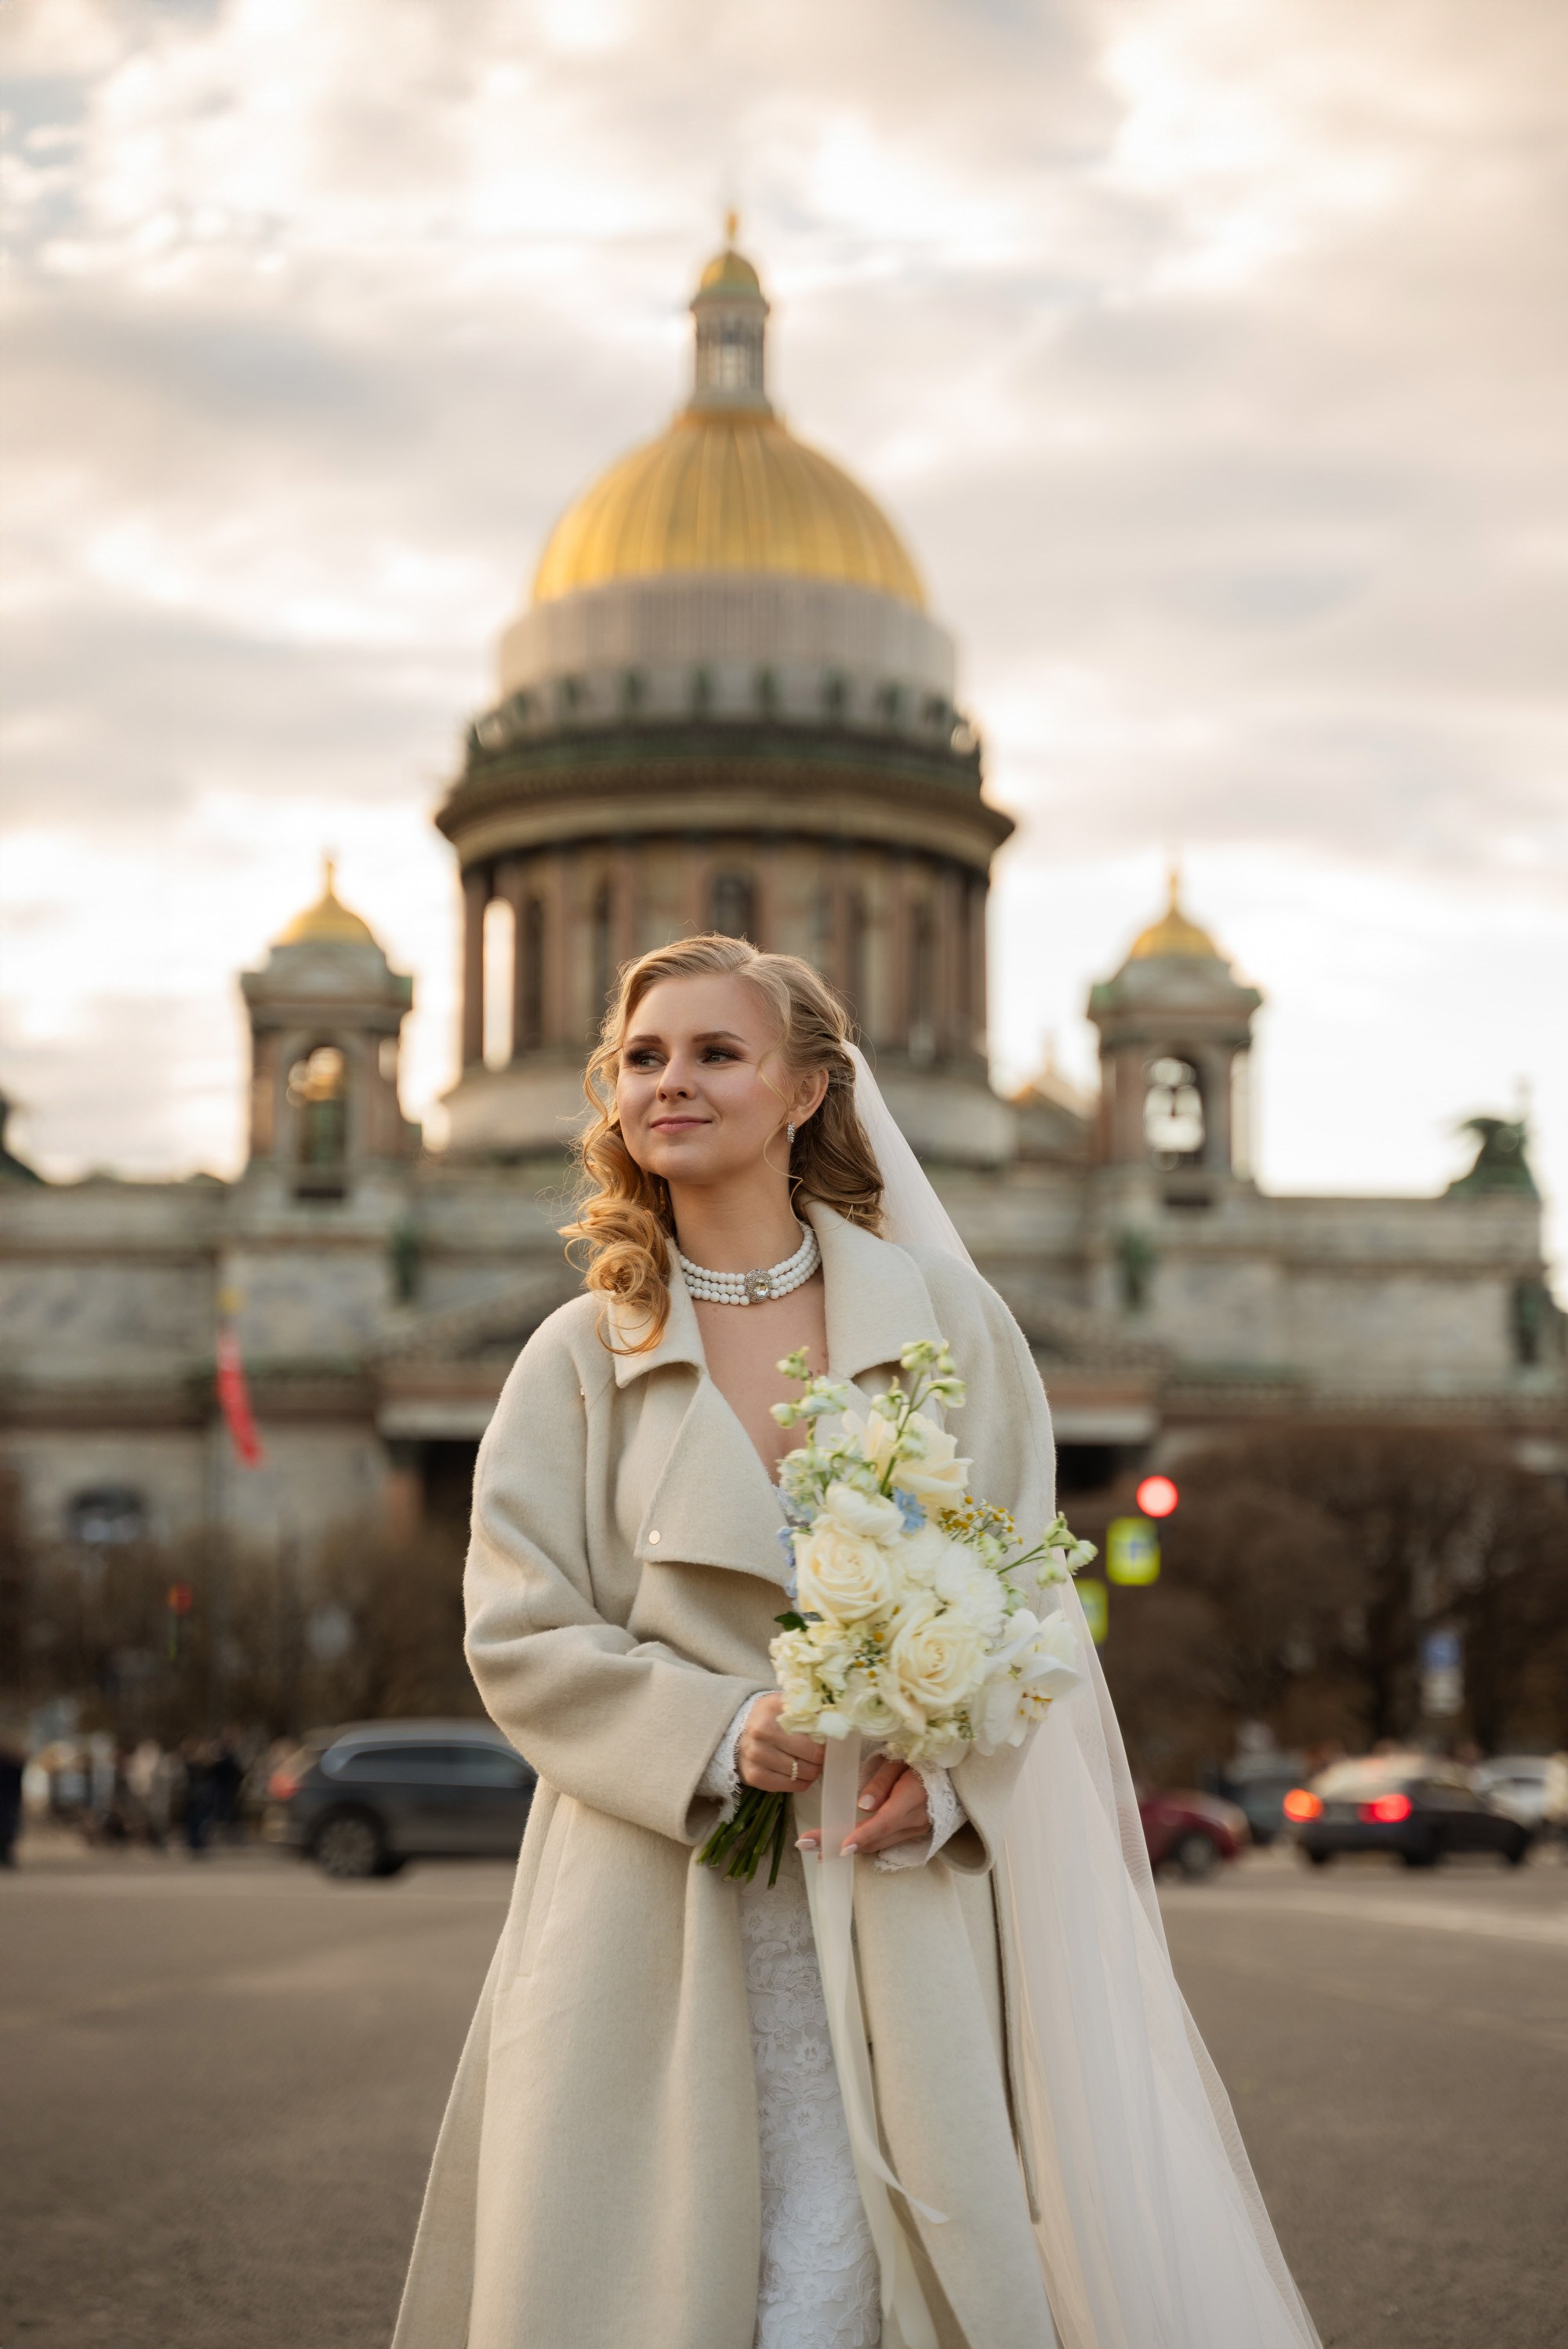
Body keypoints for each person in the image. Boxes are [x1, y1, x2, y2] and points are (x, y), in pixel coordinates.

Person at [393, 935, 1321, 2349]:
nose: (670, 1083)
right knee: (651, 2277)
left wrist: (946, 1776)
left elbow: (1029, 1600)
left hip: (892, 1882)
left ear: (811, 1091)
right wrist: (713, 1732)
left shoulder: (952, 1323)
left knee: (867, 2271)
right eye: (643, 1057)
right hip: (659, 1891)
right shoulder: (576, 1354)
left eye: (716, 1053)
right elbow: (518, 1629)